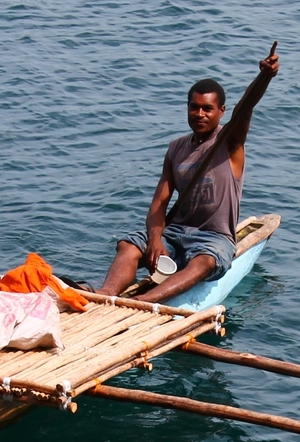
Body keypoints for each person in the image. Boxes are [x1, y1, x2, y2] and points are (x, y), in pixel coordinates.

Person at [98, 43, 280, 303]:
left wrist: (265, 76)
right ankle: (107, 293)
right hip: (175, 233)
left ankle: (146, 301)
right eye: (194, 107)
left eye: (207, 109)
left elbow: (245, 108)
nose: (200, 114)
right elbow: (159, 202)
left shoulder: (230, 142)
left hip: (214, 238)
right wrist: (156, 239)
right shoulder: (176, 148)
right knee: (128, 246)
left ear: (221, 112)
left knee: (205, 261)